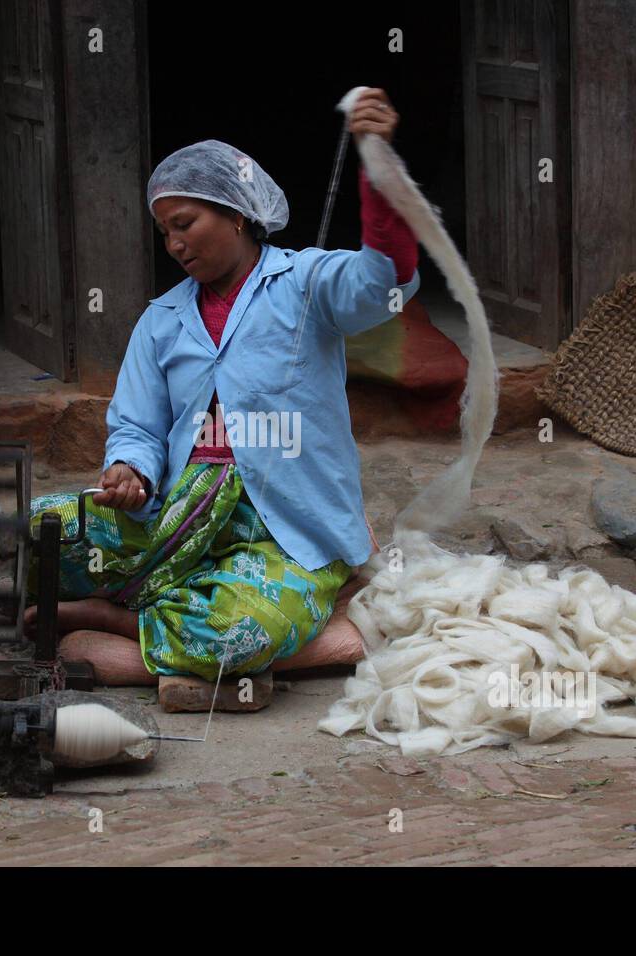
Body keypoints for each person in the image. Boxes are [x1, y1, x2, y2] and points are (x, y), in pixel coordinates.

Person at [25, 88, 420, 681]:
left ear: (235, 213)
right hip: (176, 507)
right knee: (35, 531)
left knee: (239, 629)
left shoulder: (305, 282)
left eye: (184, 224)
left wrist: (379, 168)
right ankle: (166, 599)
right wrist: (129, 471)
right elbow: (136, 424)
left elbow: (384, 279)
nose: (174, 244)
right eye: (165, 232)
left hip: (286, 527)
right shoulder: (163, 318)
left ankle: (113, 621)